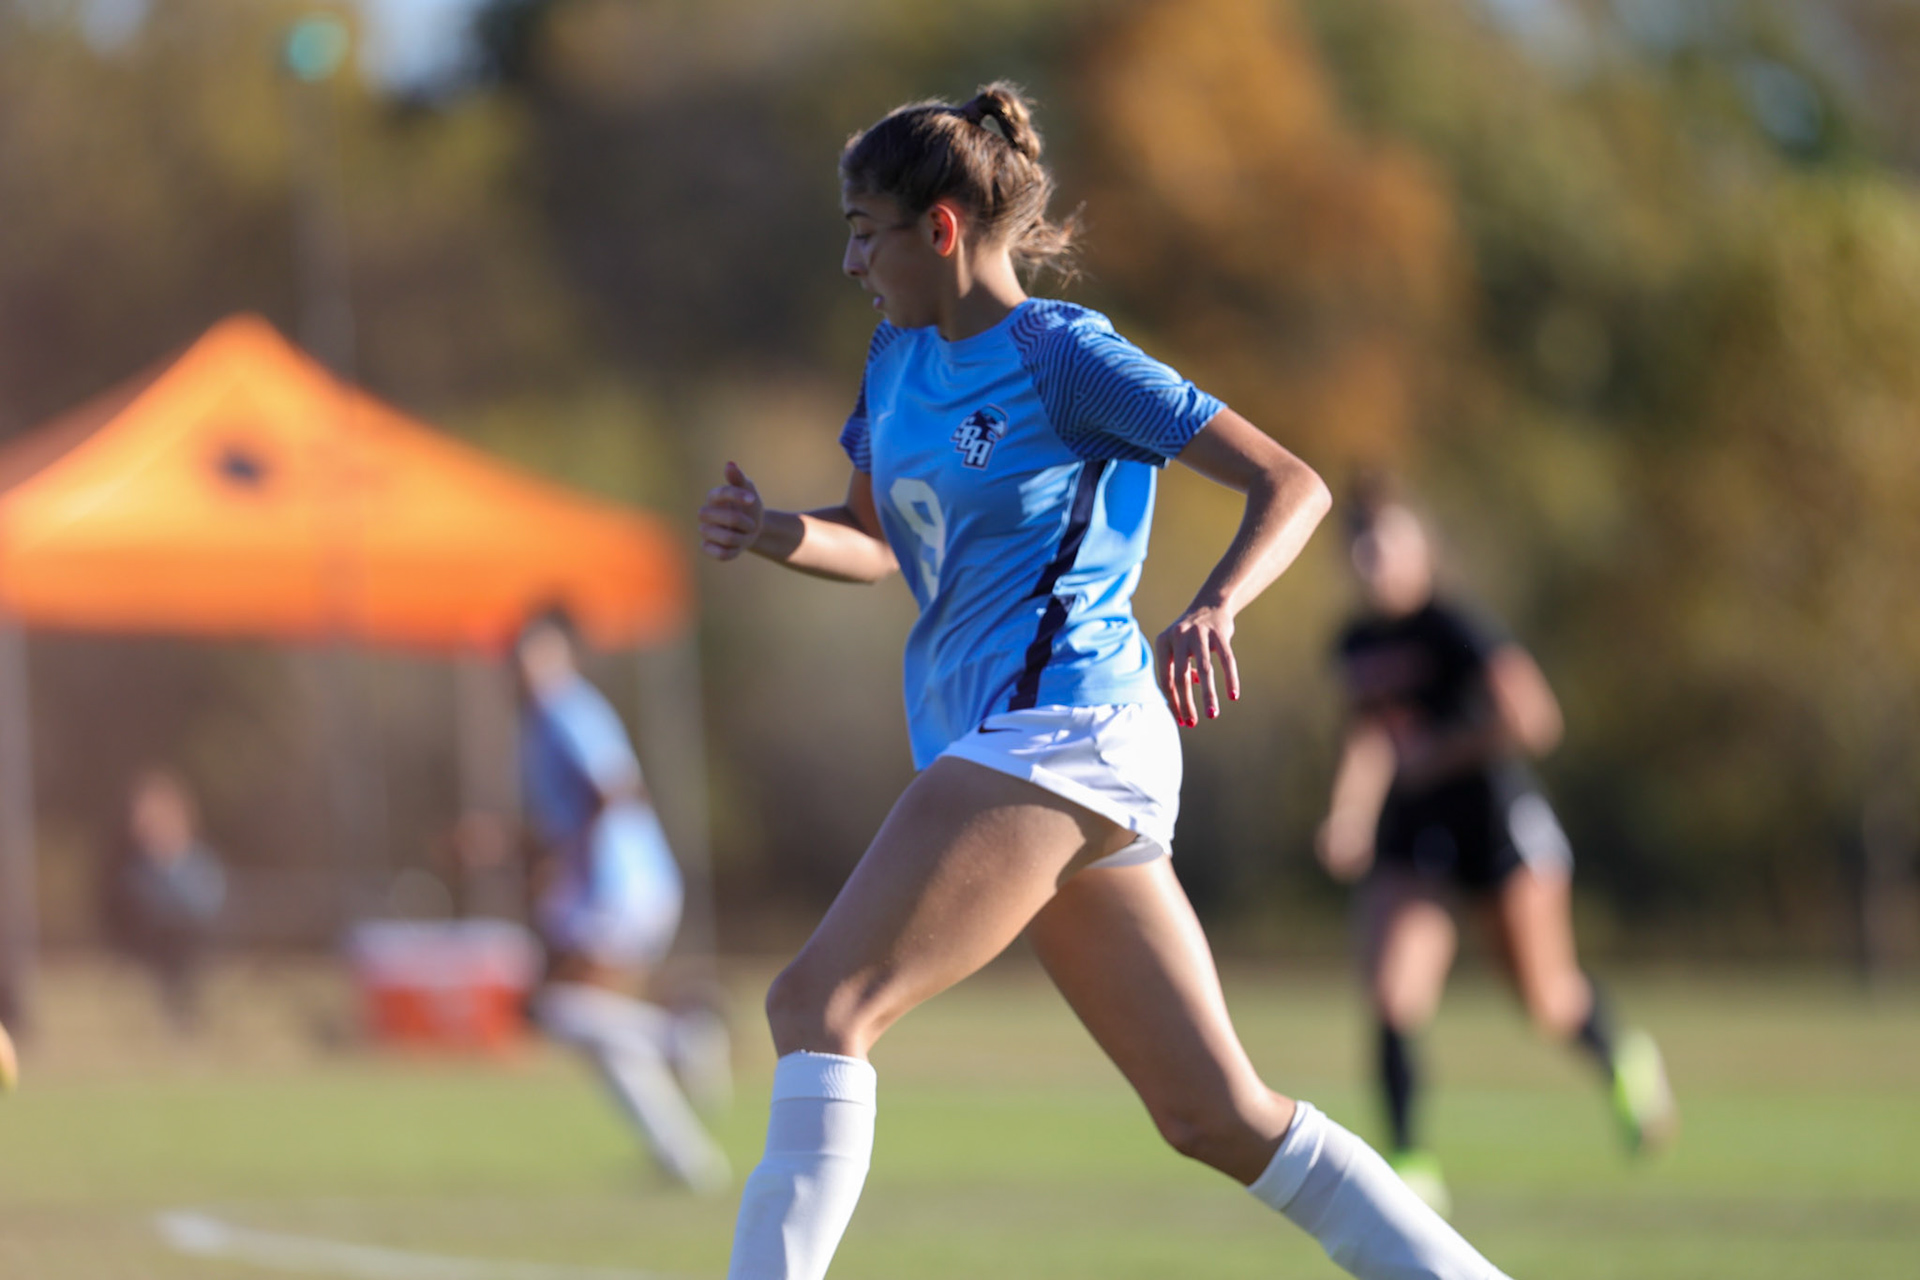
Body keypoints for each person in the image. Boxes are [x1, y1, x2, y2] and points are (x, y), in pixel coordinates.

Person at [698, 82, 1514, 1280]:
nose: (848, 257)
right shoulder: (893, 357)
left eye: (865, 228)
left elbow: (1292, 484)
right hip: (1025, 748)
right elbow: (878, 540)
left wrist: (1216, 604)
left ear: (940, 229)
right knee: (1215, 1114)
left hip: (1063, 729)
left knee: (818, 1006)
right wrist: (774, 529)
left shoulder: (1063, 356)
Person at [1317, 479, 1678, 1216]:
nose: (1370, 559)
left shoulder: (1457, 627)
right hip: (1414, 832)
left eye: (1384, 544)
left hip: (1496, 825)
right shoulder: (1355, 643)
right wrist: (1350, 812)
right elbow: (1370, 735)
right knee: (1391, 995)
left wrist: (1442, 756)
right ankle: (1411, 1166)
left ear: (1420, 549)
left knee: (1547, 1001)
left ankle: (1625, 1060)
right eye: (1359, 546)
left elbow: (1535, 721)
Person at [514, 612, 732, 1191]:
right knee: (598, 1033)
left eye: (537, 655)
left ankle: (679, 1036)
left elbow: (612, 789)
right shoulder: (541, 721)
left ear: (565, 658)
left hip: (617, 886)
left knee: (556, 1010)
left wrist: (569, 866)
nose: (523, 669)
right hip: (614, 885)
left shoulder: (568, 709)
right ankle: (685, 1160)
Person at [105, 769, 227, 1033]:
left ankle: (184, 1015)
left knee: (183, 944)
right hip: (152, 939)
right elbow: (127, 907)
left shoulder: (197, 860)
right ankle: (178, 1014)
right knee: (170, 944)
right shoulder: (134, 868)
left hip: (193, 938)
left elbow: (210, 902)